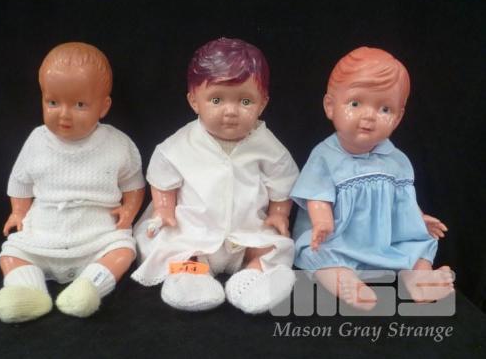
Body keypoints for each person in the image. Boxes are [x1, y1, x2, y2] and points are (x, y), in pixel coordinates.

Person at [131, 37, 299, 314]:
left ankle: (255, 275)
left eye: (245, 101)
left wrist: (279, 213)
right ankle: (192, 277)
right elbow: (162, 172)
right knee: (175, 248)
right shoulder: (182, 143)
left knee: (273, 247)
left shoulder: (267, 145)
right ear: (194, 101)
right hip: (195, 229)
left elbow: (283, 180)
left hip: (247, 230)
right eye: (217, 100)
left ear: (263, 103)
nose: (230, 111)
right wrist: (164, 208)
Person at [291, 47, 454, 310]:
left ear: (398, 118)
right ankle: (345, 282)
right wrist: (322, 221)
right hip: (339, 235)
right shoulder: (325, 155)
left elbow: (403, 199)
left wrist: (419, 218)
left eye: (385, 109)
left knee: (418, 244)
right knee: (320, 253)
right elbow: (316, 194)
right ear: (330, 106)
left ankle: (420, 280)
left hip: (386, 237)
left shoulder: (397, 159)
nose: (369, 116)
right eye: (355, 104)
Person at [0, 42, 145, 322]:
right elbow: (20, 181)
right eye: (53, 102)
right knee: (11, 253)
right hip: (43, 231)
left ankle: (90, 286)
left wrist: (129, 210)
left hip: (98, 234)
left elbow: (133, 183)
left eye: (79, 105)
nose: (63, 114)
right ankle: (26, 290)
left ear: (103, 106)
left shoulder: (117, 143)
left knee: (124, 251)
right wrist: (18, 211)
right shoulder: (36, 140)